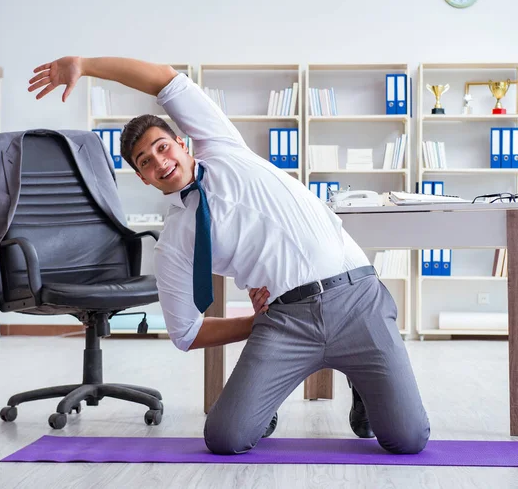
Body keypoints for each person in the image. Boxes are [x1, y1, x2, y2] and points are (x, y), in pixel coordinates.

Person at [28, 56, 430, 455]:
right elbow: (185, 333)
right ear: (142, 178)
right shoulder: (174, 242)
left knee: (408, 440)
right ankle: (267, 396)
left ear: (182, 144)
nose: (160, 162)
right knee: (226, 438)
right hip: (287, 322)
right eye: (145, 162)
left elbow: (164, 80)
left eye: (162, 147)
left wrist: (86, 65)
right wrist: (254, 322)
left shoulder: (221, 147)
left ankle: (363, 384)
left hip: (358, 299)